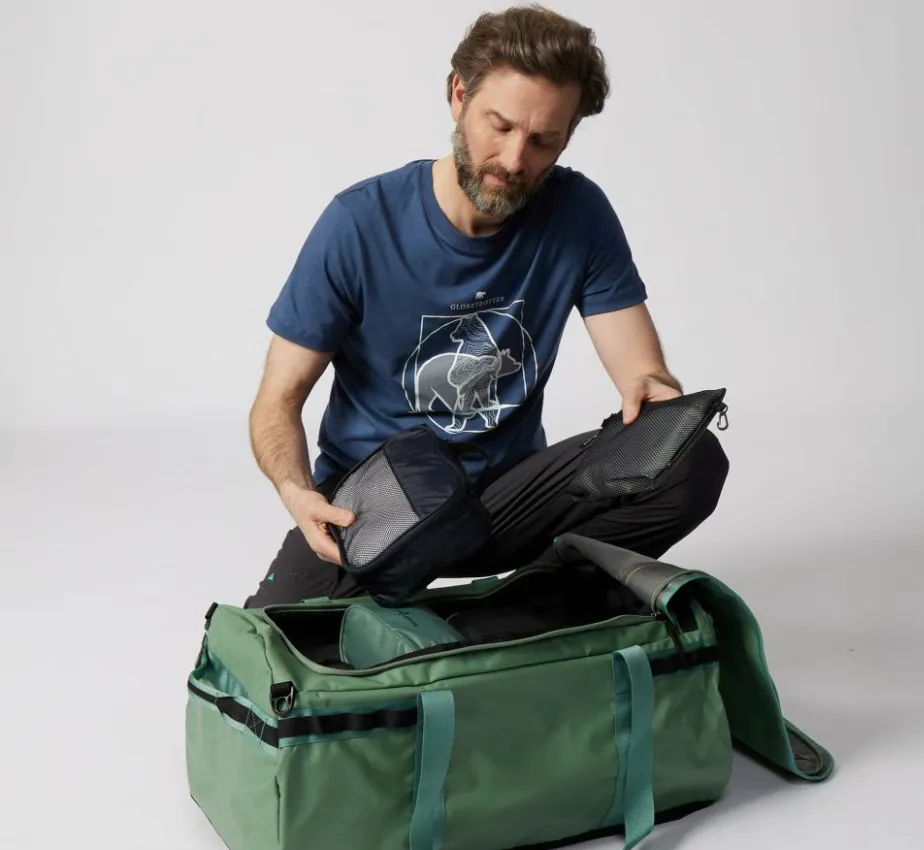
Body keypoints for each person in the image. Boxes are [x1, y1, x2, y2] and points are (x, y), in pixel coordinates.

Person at [243, 4, 729, 607]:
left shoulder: (580, 213)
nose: (515, 160)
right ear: (458, 95)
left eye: (544, 140)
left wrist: (656, 397)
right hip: (382, 507)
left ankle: (527, 610)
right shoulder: (358, 223)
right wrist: (297, 492)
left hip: (509, 499)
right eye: (499, 126)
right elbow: (277, 400)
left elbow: (642, 373)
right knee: (281, 646)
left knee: (689, 458)